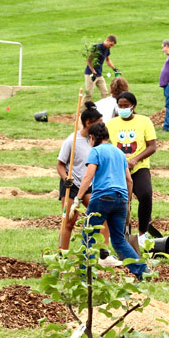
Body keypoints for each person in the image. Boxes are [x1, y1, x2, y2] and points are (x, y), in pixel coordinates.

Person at [71, 122, 146, 280]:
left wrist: (78, 198)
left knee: (89, 236)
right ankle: (142, 272)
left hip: (102, 198)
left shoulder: (96, 151)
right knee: (118, 240)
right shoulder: (119, 153)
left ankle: (86, 277)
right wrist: (127, 202)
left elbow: (88, 176)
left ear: (92, 138)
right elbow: (129, 180)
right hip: (121, 198)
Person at [56, 102, 120, 267]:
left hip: (89, 185)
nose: (102, 125)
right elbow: (60, 164)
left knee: (101, 217)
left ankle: (104, 255)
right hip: (71, 185)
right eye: (99, 122)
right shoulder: (72, 140)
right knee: (68, 221)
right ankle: (62, 256)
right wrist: (65, 178)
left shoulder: (97, 141)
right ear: (88, 123)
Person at [106, 92, 157, 239]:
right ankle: (121, 234)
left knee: (146, 195)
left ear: (133, 106)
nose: (122, 108)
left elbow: (152, 146)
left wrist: (135, 159)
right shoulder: (111, 124)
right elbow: (104, 144)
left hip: (139, 167)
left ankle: (142, 233)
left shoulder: (145, 121)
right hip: (118, 169)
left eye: (125, 106)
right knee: (121, 201)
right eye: (120, 106)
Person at [83, 35, 118, 102]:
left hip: (99, 74)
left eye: (112, 46)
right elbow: (89, 60)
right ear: (107, 40)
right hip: (90, 74)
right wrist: (93, 72)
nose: (111, 46)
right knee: (89, 94)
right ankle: (81, 111)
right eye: (110, 44)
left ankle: (106, 110)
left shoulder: (107, 49)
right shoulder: (96, 47)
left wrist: (114, 68)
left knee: (105, 93)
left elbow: (107, 60)